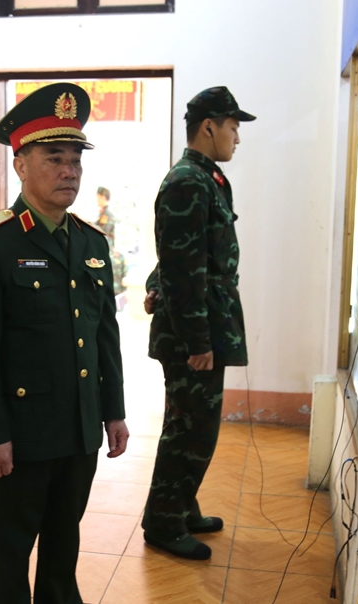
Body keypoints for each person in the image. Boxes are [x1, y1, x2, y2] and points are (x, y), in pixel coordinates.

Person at [0, 82, 129, 604]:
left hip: (79, 430)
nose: (69, 170)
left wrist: (113, 411)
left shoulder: (91, 242)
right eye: (54, 157)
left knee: (62, 550)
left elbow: (105, 336)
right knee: (8, 560)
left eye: (76, 159)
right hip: (20, 437)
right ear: (20, 165)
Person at [141, 86, 255, 560]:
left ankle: (182, 506)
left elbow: (182, 253)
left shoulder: (206, 178)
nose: (237, 138)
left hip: (206, 322)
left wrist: (154, 285)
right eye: (233, 127)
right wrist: (197, 341)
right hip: (195, 333)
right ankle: (163, 523)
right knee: (191, 430)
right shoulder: (188, 181)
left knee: (193, 425)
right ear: (209, 127)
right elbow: (182, 266)